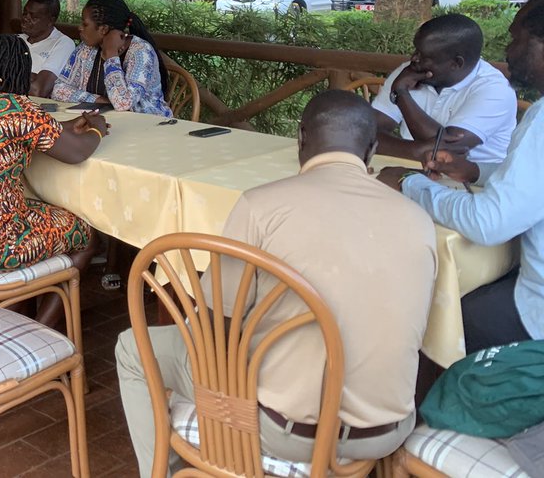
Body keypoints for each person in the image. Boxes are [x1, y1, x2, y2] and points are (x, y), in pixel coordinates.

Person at [117, 90, 437, 473]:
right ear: (371, 150)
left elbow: (215, 332)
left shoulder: (260, 206)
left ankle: (162, 471)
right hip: (384, 433)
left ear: (300, 138)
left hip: (288, 433)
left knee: (132, 348)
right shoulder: (418, 220)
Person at [385, 0, 544, 351]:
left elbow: (488, 223)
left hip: (537, 314)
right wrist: (475, 171)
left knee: (434, 316)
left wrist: (408, 183)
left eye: (516, 39)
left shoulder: (539, 119)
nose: (508, 50)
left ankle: (422, 390)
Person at [0, 34, 107, 327]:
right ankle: (40, 327)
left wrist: (66, 127)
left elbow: (30, 127)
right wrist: (97, 128)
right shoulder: (13, 106)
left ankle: (16, 310)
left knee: (33, 208)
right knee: (88, 236)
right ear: (19, 72)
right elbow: (77, 152)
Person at [371, 13, 516, 169]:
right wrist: (417, 151)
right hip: (409, 169)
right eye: (416, 50)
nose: (414, 58)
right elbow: (366, 131)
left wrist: (401, 94)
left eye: (424, 56)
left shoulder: (495, 90)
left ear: (456, 63)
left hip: (473, 179)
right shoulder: (409, 72)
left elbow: (446, 153)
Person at [51, 0, 171, 115]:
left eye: (85, 24)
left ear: (103, 29)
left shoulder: (140, 52)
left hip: (149, 122)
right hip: (105, 120)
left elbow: (122, 103)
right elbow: (58, 90)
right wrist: (99, 100)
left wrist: (111, 55)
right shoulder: (86, 48)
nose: (80, 28)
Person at [19, 0, 76, 97]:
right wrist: (31, 76)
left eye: (34, 17)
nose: (25, 18)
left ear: (51, 20)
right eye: (25, 13)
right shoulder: (16, 40)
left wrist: (8, 75)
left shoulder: (63, 43)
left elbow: (38, 90)